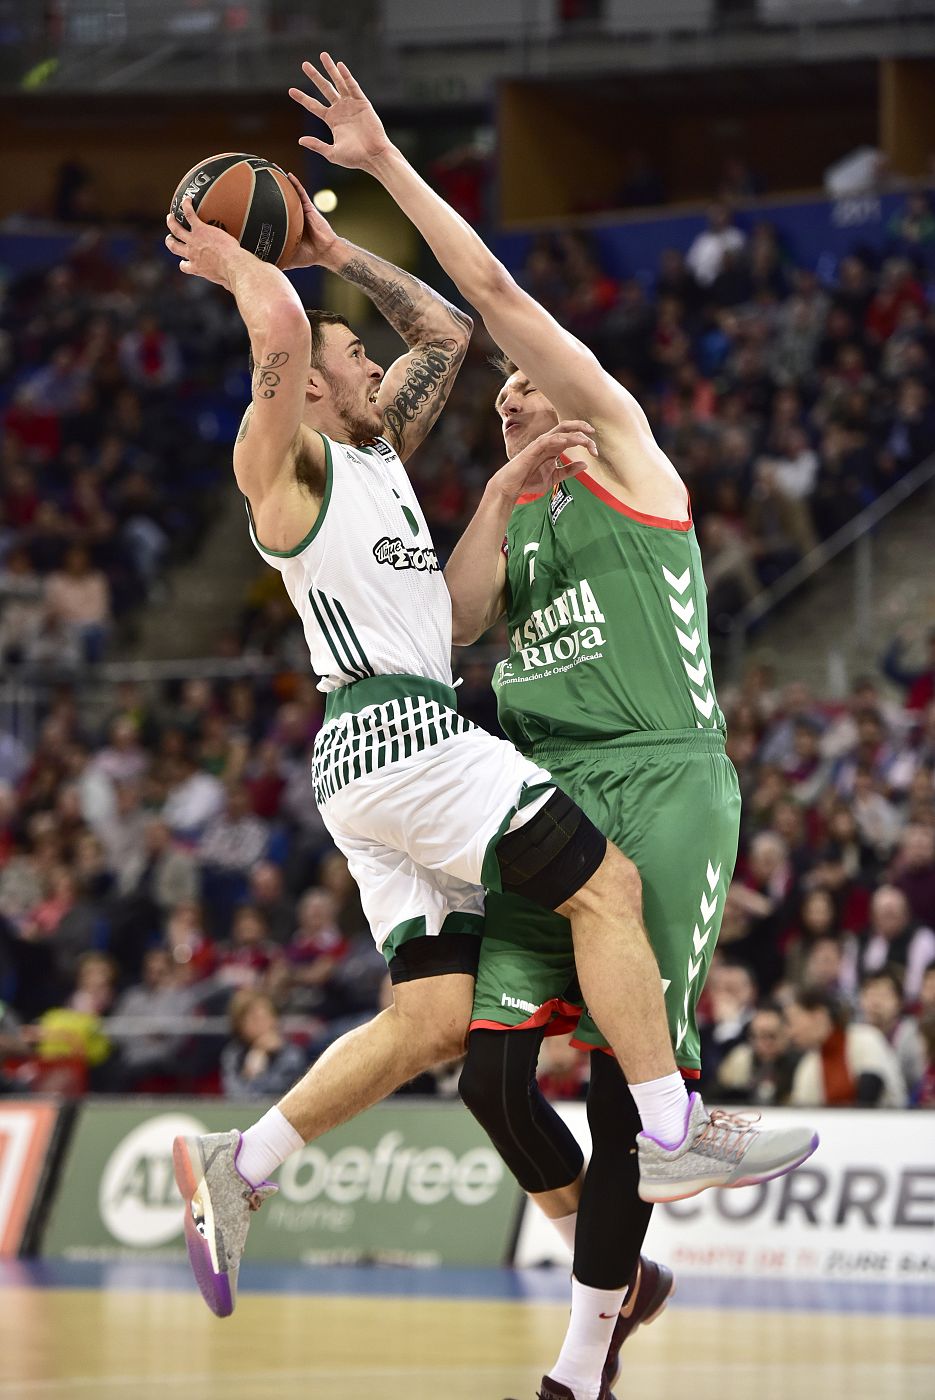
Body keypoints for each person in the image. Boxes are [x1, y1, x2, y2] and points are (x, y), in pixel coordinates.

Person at [288, 54, 819, 1400]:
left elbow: (499, 303)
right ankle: (628, 1272)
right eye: (507, 399)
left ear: (574, 389)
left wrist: (382, 174)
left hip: (666, 787)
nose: (511, 399)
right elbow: (447, 632)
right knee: (492, 1080)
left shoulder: (636, 453)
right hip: (547, 793)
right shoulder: (519, 515)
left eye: (528, 390)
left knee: (630, 1095)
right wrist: (491, 497)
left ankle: (580, 1369)